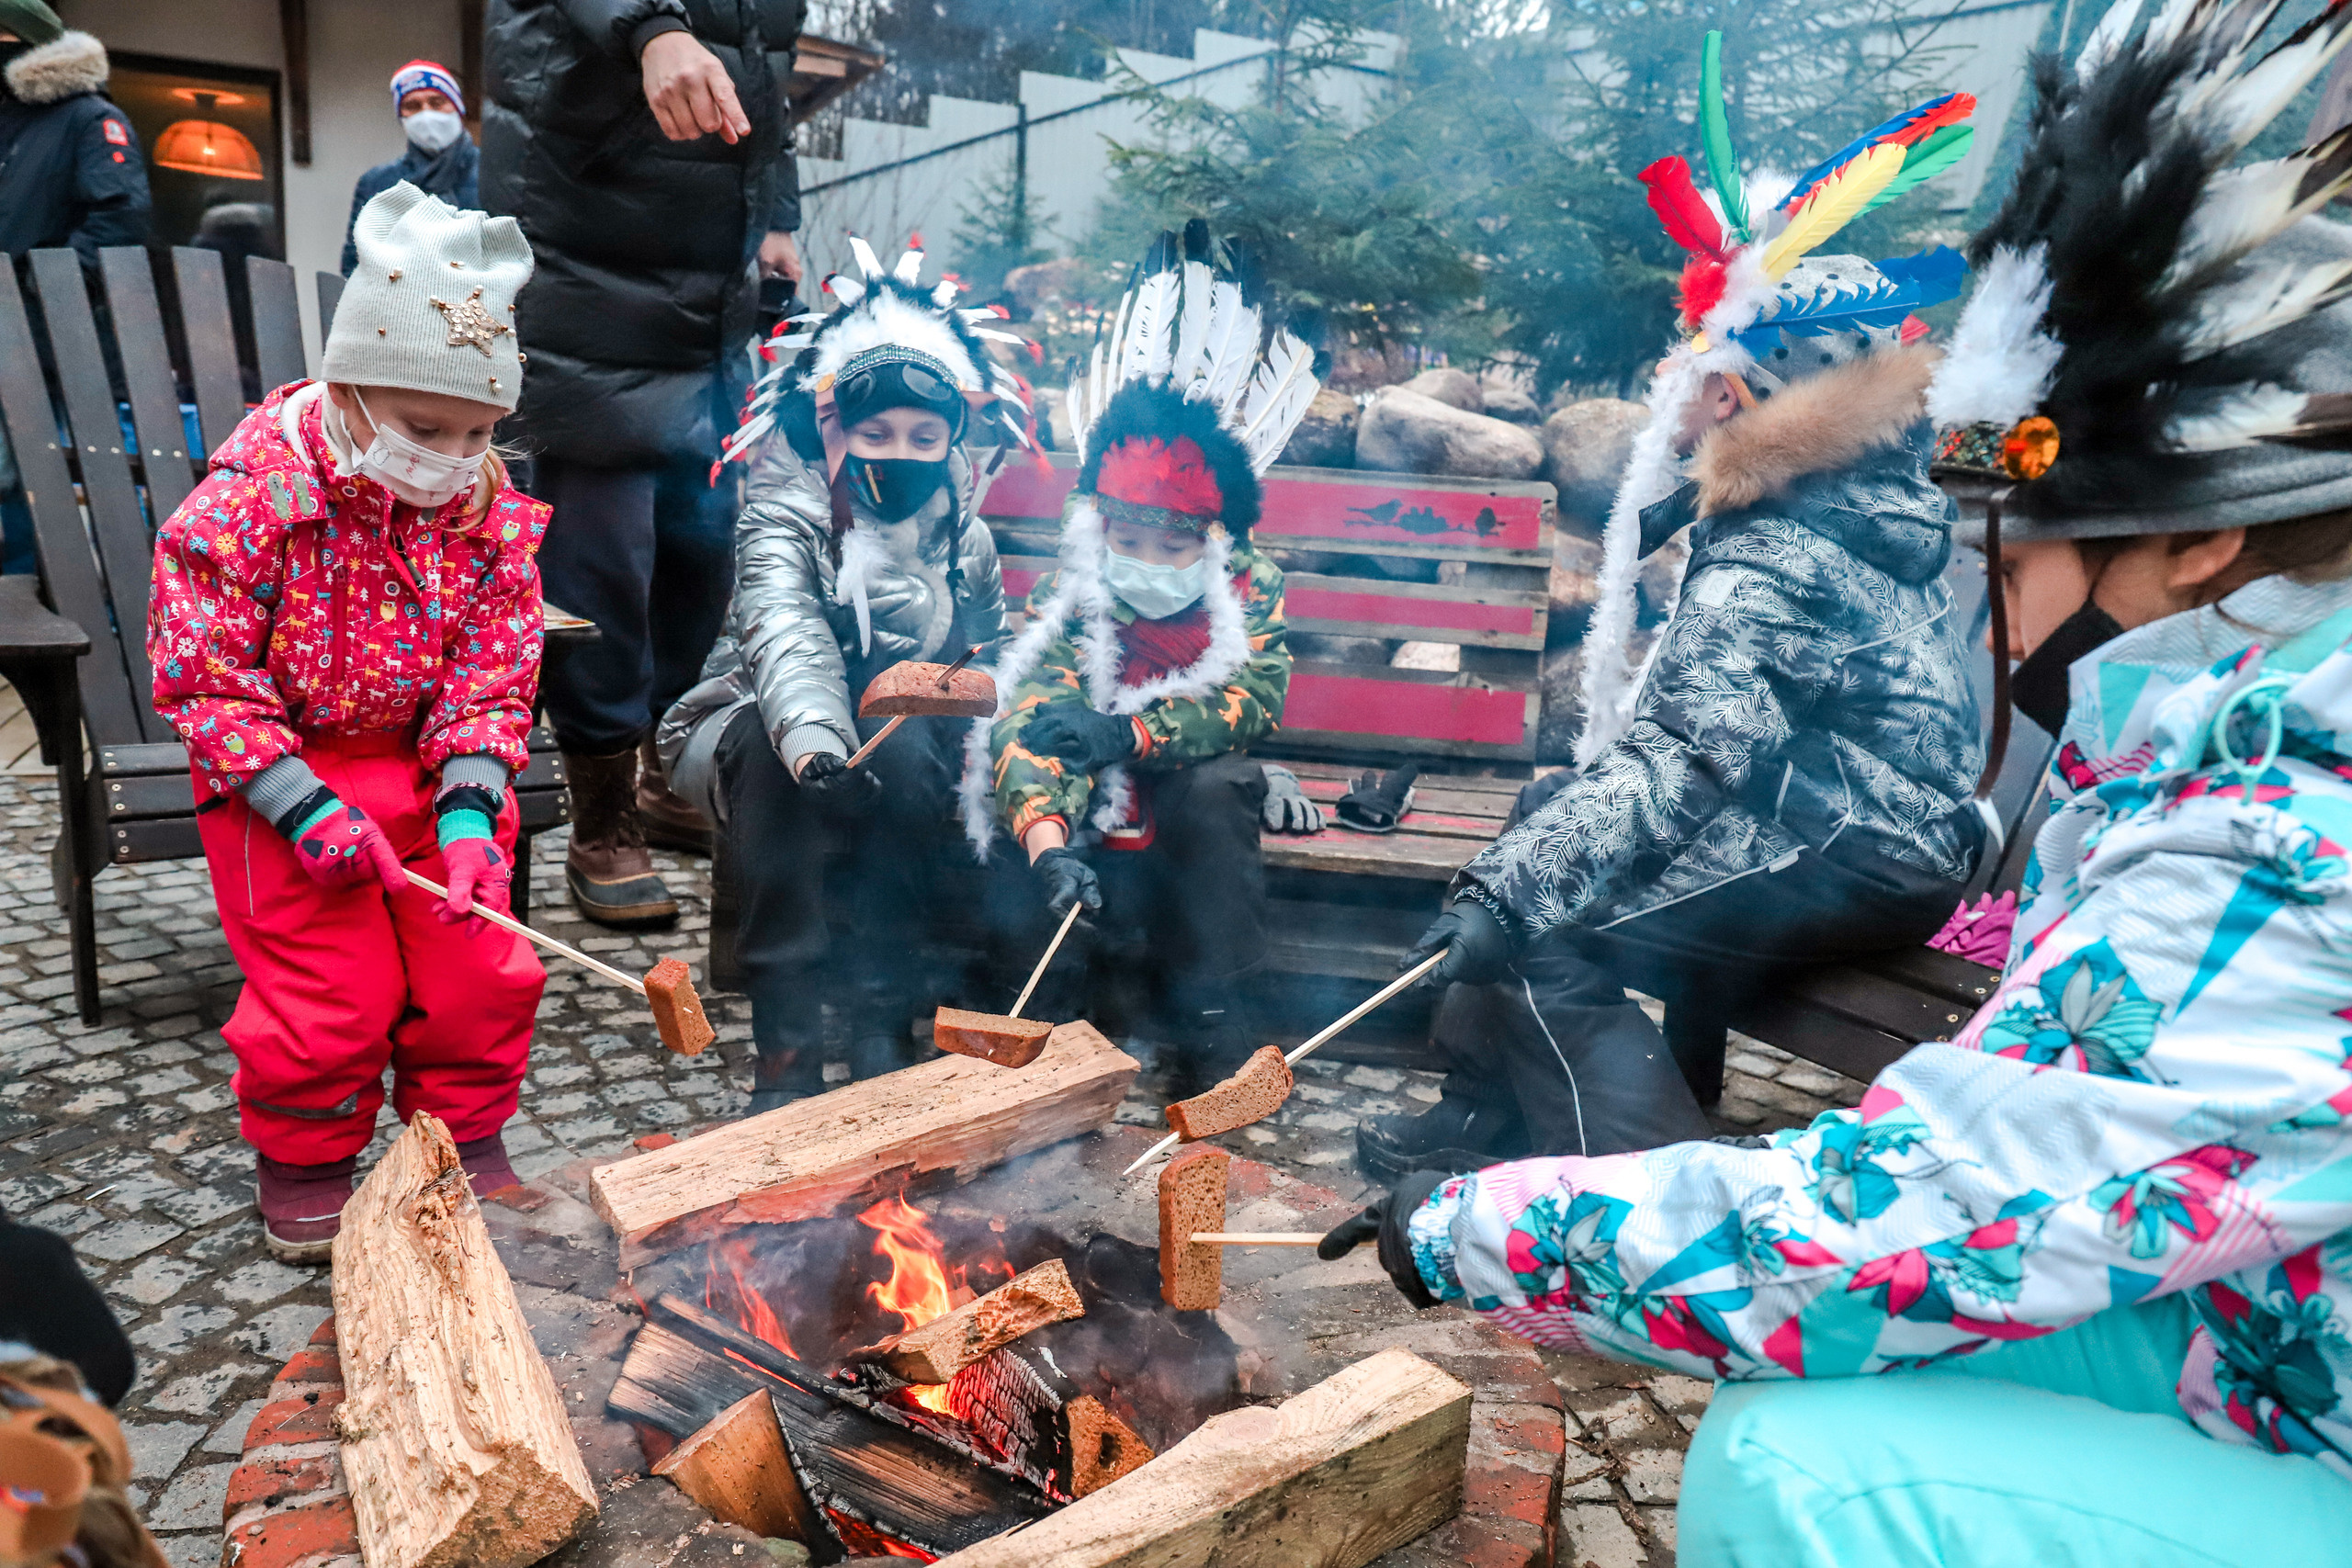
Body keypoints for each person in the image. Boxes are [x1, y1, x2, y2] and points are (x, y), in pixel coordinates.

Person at [1329, 10, 2352, 1561]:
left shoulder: (2293, 825)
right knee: (1564, 905)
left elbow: (1925, 1196)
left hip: (1871, 836)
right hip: (2292, 1310)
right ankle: (1603, 1196)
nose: (1986, 565)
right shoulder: (2239, 718)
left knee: (1790, 1452)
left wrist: (1487, 1225)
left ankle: (1605, 1184)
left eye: (2019, 530)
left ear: (2202, 543)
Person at [1357, 58, 1986, 1179]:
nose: (1673, 395)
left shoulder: (1783, 551)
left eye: (1692, 374)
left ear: (1738, 395)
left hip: (1860, 844)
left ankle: (1641, 1204)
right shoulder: (1833, 492)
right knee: (1556, 808)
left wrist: (1506, 896)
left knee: (1544, 923)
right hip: (1855, 814)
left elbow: (1693, 749)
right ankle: (1477, 1116)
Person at [147, 185, 548, 1263]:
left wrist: (472, 810)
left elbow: (492, 676)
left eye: (477, 433)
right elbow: (206, 678)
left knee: (482, 964)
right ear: (349, 387)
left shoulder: (481, 517)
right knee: (333, 987)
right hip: (278, 778)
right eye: (425, 428)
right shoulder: (250, 504)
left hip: (426, 771)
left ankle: (463, 1134)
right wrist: (299, 805)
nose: (450, 457)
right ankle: (309, 1156)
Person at [658, 240, 1035, 1113]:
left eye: (923, 436)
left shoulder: (963, 538)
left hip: (898, 738)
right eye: (877, 433)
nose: (900, 451)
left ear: (952, 444)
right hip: (755, 716)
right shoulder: (784, 517)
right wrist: (820, 749)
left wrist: (1018, 736)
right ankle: (786, 1041)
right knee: (775, 760)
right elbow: (785, 634)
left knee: (906, 757)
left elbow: (992, 655)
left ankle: (882, 1014)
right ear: (832, 430)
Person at [966, 228, 1320, 1089]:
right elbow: (1032, 706)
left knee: (1216, 789)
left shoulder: (1250, 585)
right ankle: (1046, 1010)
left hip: (1188, 768)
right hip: (1094, 774)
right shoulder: (1081, 576)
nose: (1144, 560)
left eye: (1170, 544)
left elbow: (1251, 698)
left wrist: (1127, 734)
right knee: (1030, 764)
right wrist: (1047, 842)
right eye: (1126, 536)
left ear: (1211, 534)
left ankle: (1217, 1031)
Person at [483, 0, 806, 928]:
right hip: (589, 244)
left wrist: (776, 208)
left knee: (700, 558)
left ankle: (666, 771)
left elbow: (759, 63)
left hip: (711, 288)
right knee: (603, 567)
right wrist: (652, 28)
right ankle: (602, 815)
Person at [0, 0, 148, 265]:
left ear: (30, 43)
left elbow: (120, 218)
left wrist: (49, 288)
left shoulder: (92, 120)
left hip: (37, 302)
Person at [341, 60, 477, 276]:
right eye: (412, 106)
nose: (426, 113)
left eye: (437, 102)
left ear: (458, 106)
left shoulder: (495, 174)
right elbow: (356, 267)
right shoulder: (377, 184)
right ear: (401, 116)